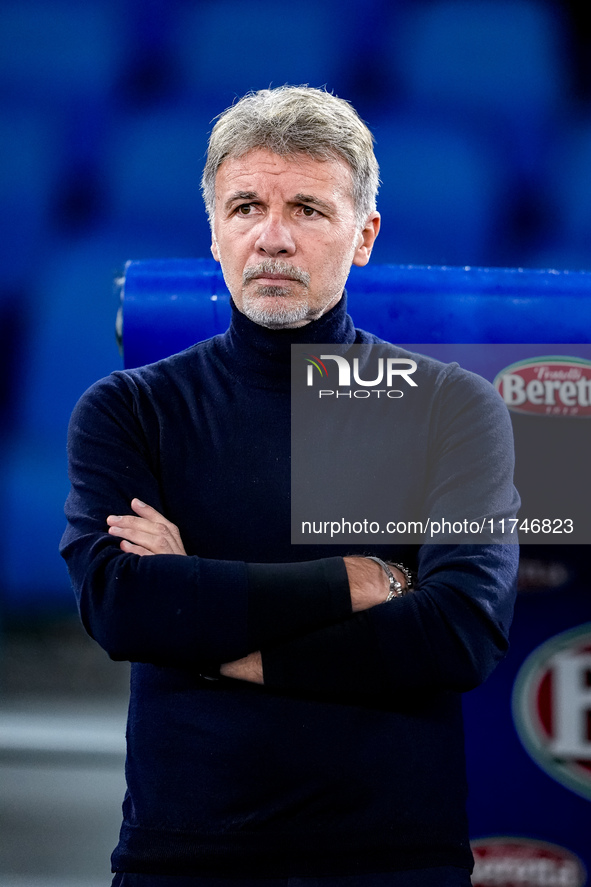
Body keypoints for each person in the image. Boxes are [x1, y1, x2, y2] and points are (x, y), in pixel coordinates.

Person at [60, 86, 520, 886]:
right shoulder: (128, 408)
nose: (271, 238)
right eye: (245, 206)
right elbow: (125, 607)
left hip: (393, 858)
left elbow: (456, 632)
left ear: (363, 234)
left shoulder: (453, 402)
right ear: (214, 231)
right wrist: (359, 579)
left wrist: (206, 624)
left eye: (307, 209)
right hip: (184, 856)